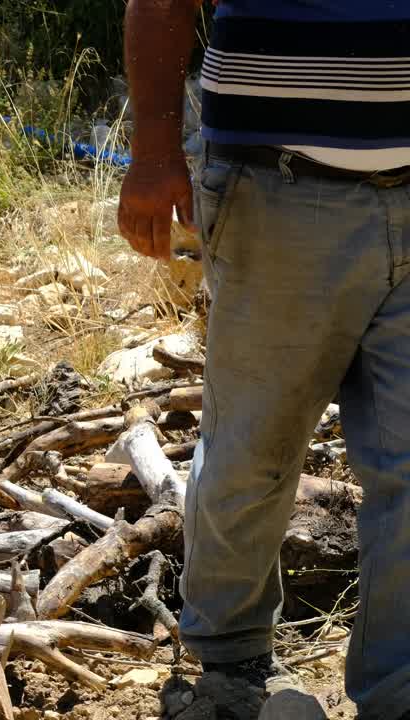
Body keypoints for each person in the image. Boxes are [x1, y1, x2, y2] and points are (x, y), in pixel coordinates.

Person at [118, 0, 410, 718]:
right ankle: (231, 665)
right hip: (277, 187)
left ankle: (399, 691)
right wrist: (153, 150)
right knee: (254, 448)